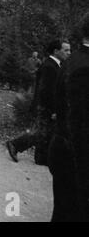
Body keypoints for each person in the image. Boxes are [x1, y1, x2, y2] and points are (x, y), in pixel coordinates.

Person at [50, 15, 89, 222]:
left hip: (66, 152)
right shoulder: (84, 67)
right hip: (76, 159)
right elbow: (80, 125)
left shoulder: (73, 60)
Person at [6, 40, 71, 165]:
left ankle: (41, 158)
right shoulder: (49, 66)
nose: (69, 53)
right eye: (66, 50)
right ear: (56, 51)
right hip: (45, 106)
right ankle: (14, 144)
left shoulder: (54, 65)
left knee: (46, 132)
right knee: (42, 132)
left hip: (45, 105)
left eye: (69, 50)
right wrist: (54, 110)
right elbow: (47, 91)